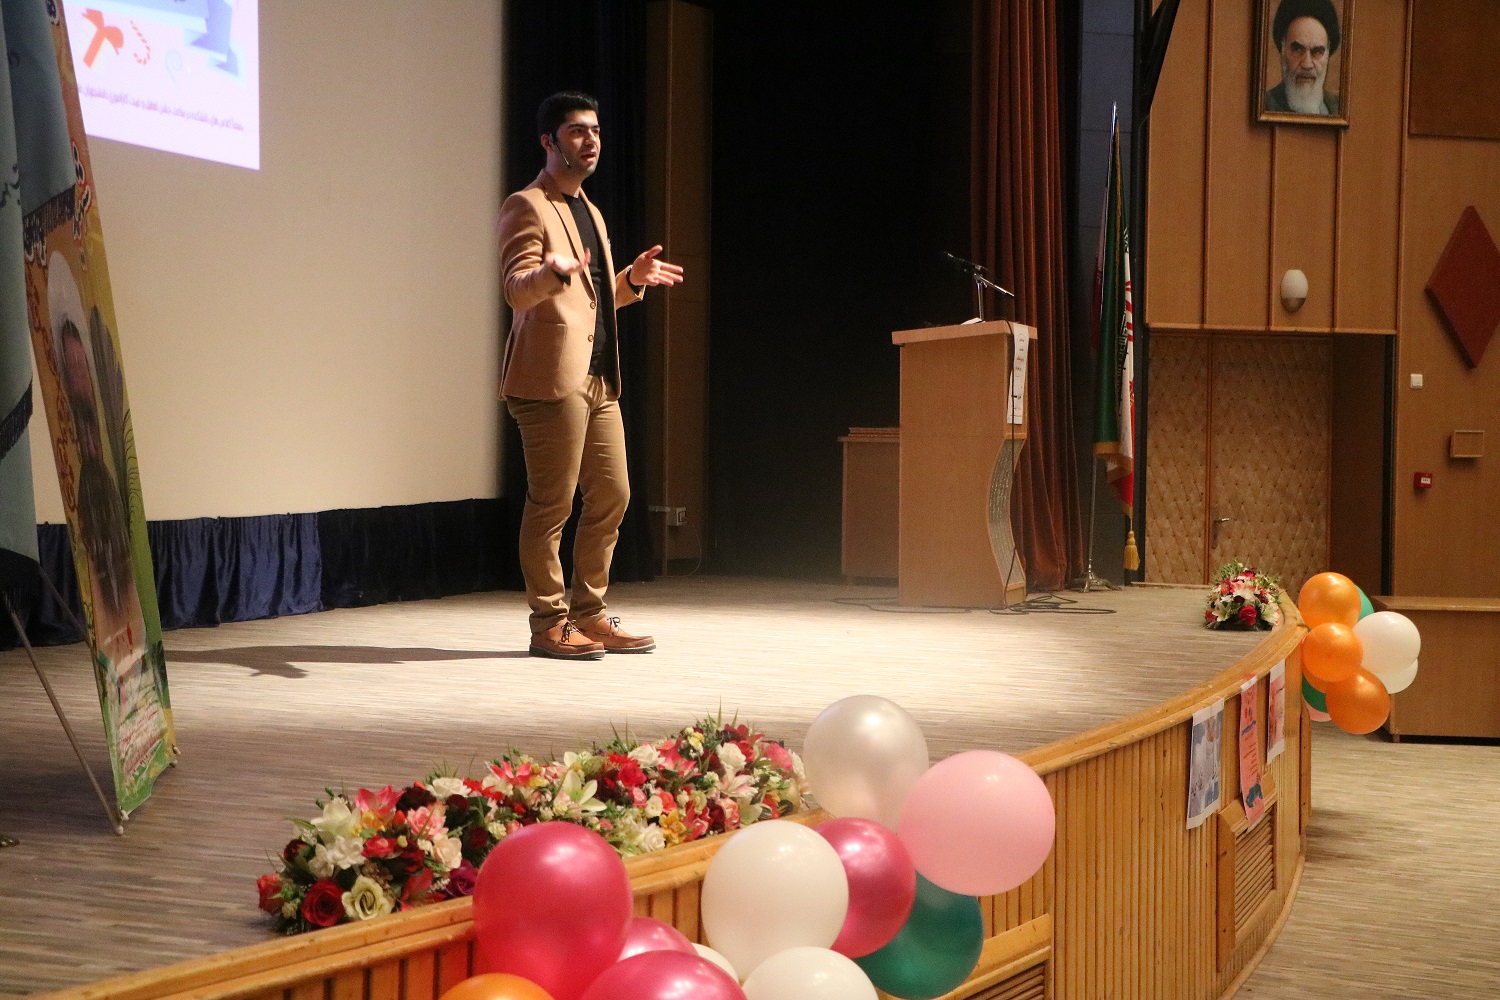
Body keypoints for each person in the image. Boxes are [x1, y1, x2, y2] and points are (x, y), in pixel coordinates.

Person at [497, 91, 684, 660]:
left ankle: (590, 615)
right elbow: (517, 289)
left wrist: (631, 280)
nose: (591, 140)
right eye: (578, 131)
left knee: (613, 495)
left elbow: (592, 302)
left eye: (596, 131)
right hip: (549, 380)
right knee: (552, 505)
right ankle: (548, 622)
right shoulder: (527, 205)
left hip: (599, 378)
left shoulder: (592, 212)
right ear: (548, 141)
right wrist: (550, 273)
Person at [1264, 0, 1341, 116]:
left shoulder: (1338, 108)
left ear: (1328, 54)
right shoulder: (1264, 106)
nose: (1307, 64)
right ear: (1283, 50)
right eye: (1298, 50)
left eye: (1317, 52)